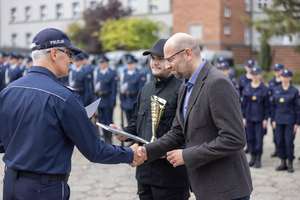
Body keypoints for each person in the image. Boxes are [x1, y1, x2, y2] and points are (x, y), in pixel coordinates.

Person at [0, 28, 141, 199]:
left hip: (11, 184)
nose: (72, 61)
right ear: (54, 53)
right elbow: (94, 150)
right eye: (69, 54)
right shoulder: (64, 96)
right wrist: (130, 153)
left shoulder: (9, 90)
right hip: (43, 189)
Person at [135, 33, 253, 200]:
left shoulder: (217, 83)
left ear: (188, 54)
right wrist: (145, 151)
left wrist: (187, 155)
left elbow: (234, 138)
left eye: (170, 59)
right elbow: (177, 133)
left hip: (227, 189)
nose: (167, 66)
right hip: (204, 187)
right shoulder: (186, 86)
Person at [112, 39, 190, 200]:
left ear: (170, 61)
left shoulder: (183, 90)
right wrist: (124, 133)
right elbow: (136, 124)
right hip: (144, 173)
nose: (155, 62)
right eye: (152, 58)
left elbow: (186, 134)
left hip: (170, 176)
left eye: (160, 58)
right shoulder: (145, 90)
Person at [270, 69, 300, 173]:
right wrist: (273, 119)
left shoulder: (294, 91)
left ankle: (290, 163)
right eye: (283, 76)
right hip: (278, 120)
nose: (284, 78)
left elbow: (298, 108)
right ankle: (283, 162)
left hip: (290, 121)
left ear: (290, 78)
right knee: (279, 141)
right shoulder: (276, 89)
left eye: (286, 76)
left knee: (288, 142)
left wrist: (297, 123)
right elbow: (273, 106)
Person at [241, 67, 270, 168]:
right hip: (249, 118)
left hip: (259, 119)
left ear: (260, 75)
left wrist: (266, 119)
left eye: (256, 74)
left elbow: (267, 106)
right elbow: (244, 104)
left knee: (258, 139)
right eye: (253, 74)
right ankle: (252, 158)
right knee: (250, 138)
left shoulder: (264, 89)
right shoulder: (247, 87)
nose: (254, 76)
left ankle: (258, 159)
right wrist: (243, 117)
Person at [94, 55, 118, 145]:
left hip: (107, 100)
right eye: (100, 63)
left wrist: (113, 101)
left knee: (108, 120)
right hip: (99, 100)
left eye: (102, 63)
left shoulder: (112, 73)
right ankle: (104, 136)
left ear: (107, 63)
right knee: (101, 120)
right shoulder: (97, 72)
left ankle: (109, 137)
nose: (101, 64)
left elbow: (114, 89)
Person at [119, 55, 145, 124]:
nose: (129, 65)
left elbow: (141, 90)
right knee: (128, 120)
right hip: (126, 100)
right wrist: (121, 99)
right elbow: (121, 87)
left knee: (135, 120)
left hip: (134, 100)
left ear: (135, 64)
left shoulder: (139, 74)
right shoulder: (124, 73)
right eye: (128, 64)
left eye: (131, 63)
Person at [268, 63, 284, 157]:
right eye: (275, 70)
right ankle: (277, 148)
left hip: (281, 110)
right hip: (272, 109)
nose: (276, 72)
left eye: (278, 70)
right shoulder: (271, 82)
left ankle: (282, 150)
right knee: (275, 130)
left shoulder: (283, 82)